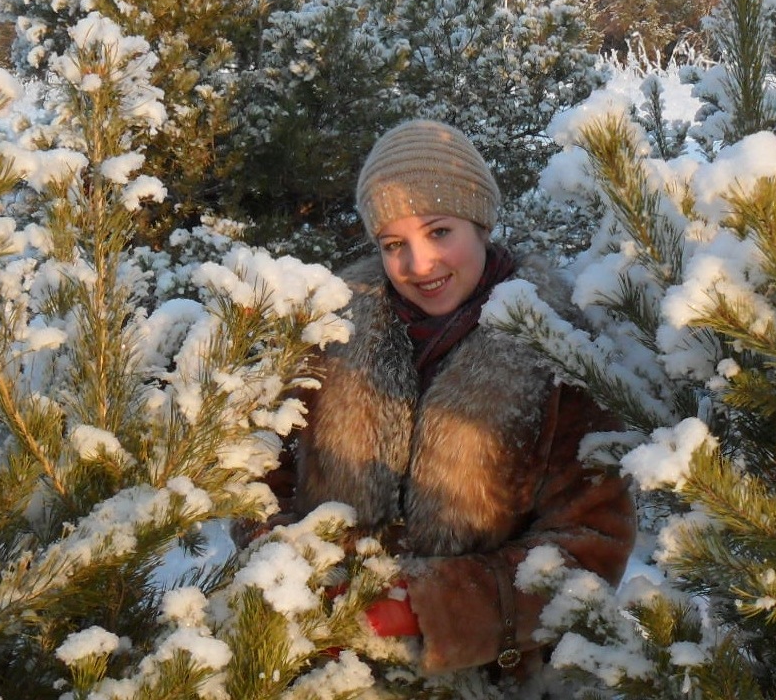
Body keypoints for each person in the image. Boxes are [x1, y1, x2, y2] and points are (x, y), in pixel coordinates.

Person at [259, 119, 635, 695]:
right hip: (328, 667)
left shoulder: (557, 349)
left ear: (480, 222)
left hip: (491, 680)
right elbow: (261, 474)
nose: (419, 264)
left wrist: (427, 609)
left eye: (439, 231)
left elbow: (592, 545)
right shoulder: (331, 332)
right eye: (394, 244)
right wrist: (300, 577)